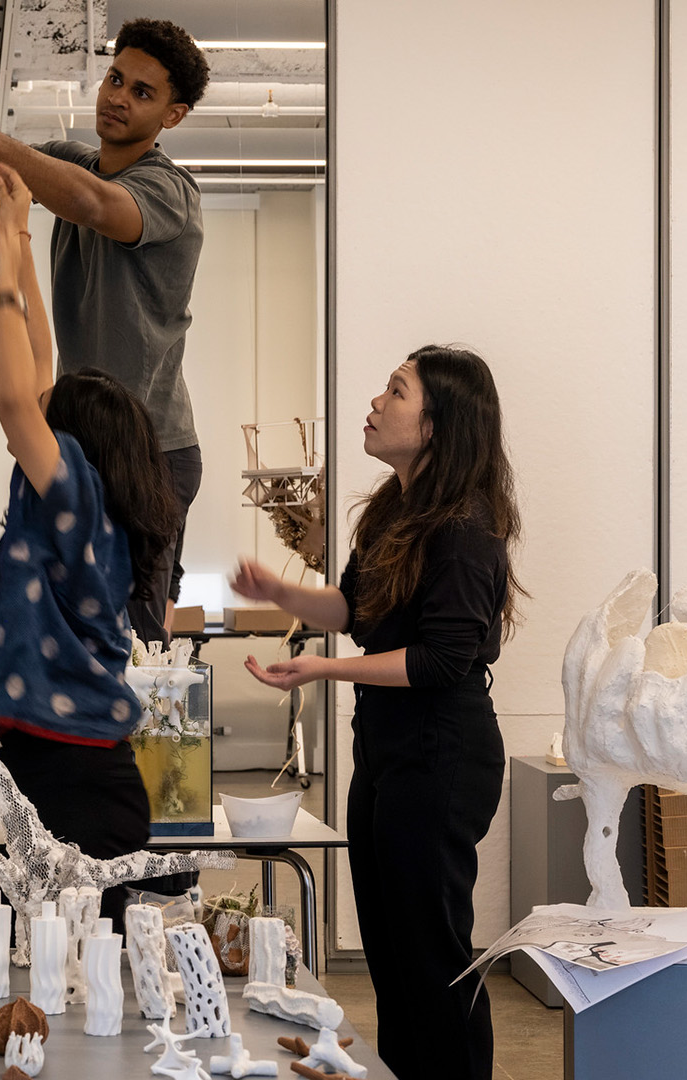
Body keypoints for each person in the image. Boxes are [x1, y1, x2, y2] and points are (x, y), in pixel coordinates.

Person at [230, 346, 525, 1080]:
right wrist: (282, 594)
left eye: (396, 392)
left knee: (432, 961)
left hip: (443, 757)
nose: (375, 403)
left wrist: (324, 667)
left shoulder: (466, 526)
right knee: (391, 961)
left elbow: (440, 661)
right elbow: (357, 608)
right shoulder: (397, 507)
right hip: (390, 752)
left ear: (434, 426)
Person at [0, 161, 182, 929]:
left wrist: (2, 277)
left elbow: (18, 396)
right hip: (73, 770)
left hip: (79, 781)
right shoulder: (80, 507)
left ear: (76, 444)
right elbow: (41, 372)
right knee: (74, 981)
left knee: (80, 983)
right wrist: (18, 234)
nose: (36, 421)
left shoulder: (75, 495)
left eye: (54, 421)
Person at [0, 18, 209, 643]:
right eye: (116, 78)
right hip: (87, 437)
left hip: (151, 450)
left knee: (125, 641)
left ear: (174, 115)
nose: (117, 96)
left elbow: (95, 205)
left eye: (143, 92)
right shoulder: (67, 163)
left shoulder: (170, 190)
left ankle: (120, 736)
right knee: (82, 625)